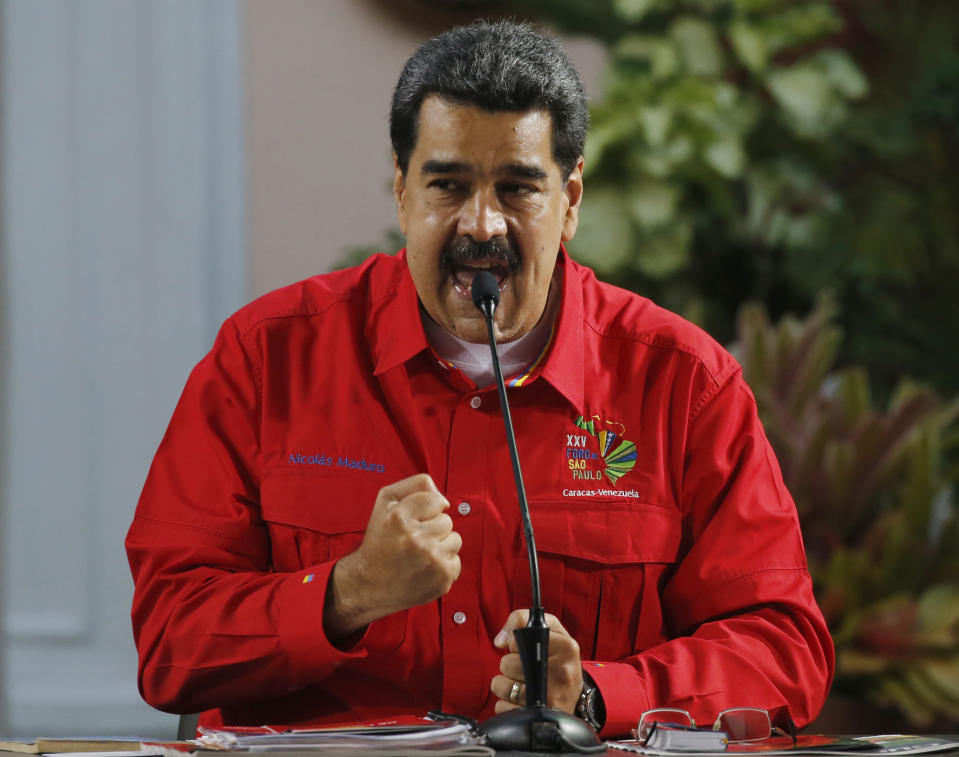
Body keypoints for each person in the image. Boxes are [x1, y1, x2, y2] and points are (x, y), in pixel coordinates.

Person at [126, 20, 834, 738]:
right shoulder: (266, 358)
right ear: (402, 191)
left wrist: (591, 692)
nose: (482, 224)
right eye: (448, 185)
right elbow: (167, 641)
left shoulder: (683, 382)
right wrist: (345, 593)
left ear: (572, 199)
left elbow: (782, 648)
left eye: (518, 188)